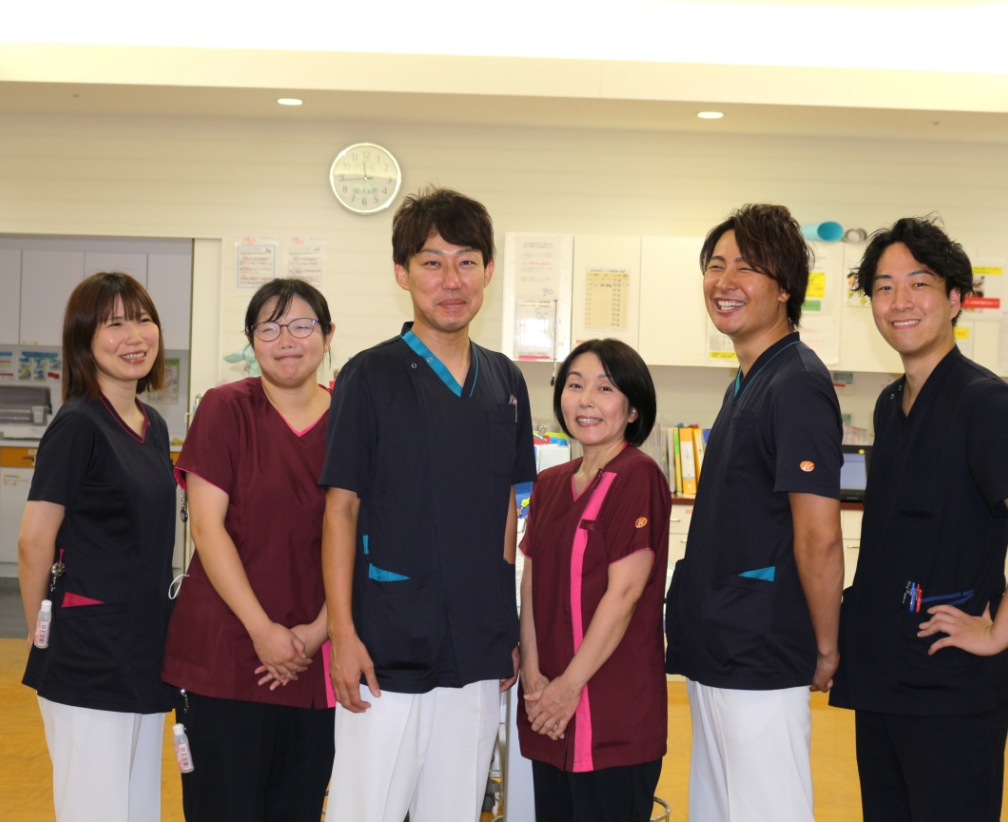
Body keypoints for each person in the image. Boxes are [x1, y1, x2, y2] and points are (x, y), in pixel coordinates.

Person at [321, 186, 537, 822]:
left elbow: (509, 509)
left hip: (478, 644)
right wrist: (342, 634)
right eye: (432, 262)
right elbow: (340, 509)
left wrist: (504, 627)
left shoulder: (505, 380)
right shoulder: (369, 375)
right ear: (402, 273)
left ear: (489, 271)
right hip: (386, 640)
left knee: (457, 806)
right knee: (367, 808)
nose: (451, 280)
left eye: (467, 262)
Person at [664, 204, 844, 822]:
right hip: (723, 640)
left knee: (767, 808)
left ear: (785, 285)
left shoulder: (797, 383)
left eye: (746, 266)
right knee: (719, 807)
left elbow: (819, 537)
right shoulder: (747, 380)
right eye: (715, 265)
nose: (725, 281)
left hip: (760, 648)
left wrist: (826, 646)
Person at [829, 217, 1008, 822]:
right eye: (884, 287)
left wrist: (998, 632)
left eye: (918, 283)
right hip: (884, 676)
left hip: (951, 686)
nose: (899, 301)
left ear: (956, 299)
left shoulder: (985, 403)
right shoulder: (890, 403)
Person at [161, 279, 336, 822]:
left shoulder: (352, 419)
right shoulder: (225, 408)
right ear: (250, 339)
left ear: (328, 336)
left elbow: (366, 535)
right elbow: (206, 527)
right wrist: (263, 631)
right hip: (227, 652)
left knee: (298, 808)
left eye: (302, 325)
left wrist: (320, 630)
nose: (287, 340)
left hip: (314, 656)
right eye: (270, 327)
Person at [19, 272, 175, 822]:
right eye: (114, 324)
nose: (134, 336)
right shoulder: (78, 425)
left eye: (143, 319)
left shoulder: (152, 424)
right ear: (84, 339)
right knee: (95, 808)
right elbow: (33, 542)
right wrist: (43, 635)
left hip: (142, 646)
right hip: (88, 652)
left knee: (136, 805)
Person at [517, 339, 671, 822]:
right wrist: (534, 677)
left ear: (632, 409)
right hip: (547, 707)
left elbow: (624, 595)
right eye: (575, 385)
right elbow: (531, 584)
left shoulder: (638, 476)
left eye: (605, 389)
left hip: (611, 711)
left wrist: (567, 688)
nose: (586, 401)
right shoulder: (549, 485)